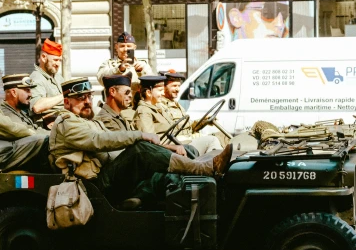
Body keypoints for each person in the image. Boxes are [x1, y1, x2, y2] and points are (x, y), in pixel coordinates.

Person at [49, 77, 233, 208]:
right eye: (81, 98)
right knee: (140, 150)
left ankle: (193, 196)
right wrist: (140, 135)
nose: (88, 102)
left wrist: (167, 147)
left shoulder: (88, 122)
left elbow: (112, 144)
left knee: (159, 165)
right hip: (95, 184)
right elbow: (98, 141)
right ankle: (204, 169)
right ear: (66, 102)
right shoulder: (67, 123)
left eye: (89, 96)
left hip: (107, 175)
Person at [162, 70, 224, 155]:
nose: (177, 89)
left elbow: (187, 125)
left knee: (222, 136)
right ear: (164, 87)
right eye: (174, 86)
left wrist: (203, 121)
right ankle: (213, 166)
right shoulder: (161, 106)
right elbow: (172, 131)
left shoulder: (176, 104)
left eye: (179, 86)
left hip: (188, 137)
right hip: (181, 142)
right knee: (213, 140)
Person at [30, 38, 65, 124]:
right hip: (45, 127)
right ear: (43, 57)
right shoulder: (36, 78)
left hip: (63, 121)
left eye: (60, 60)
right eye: (55, 60)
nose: (58, 64)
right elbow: (37, 107)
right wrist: (65, 94)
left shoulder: (58, 77)